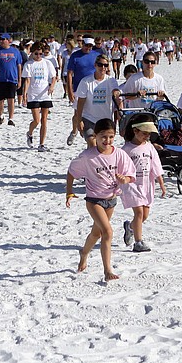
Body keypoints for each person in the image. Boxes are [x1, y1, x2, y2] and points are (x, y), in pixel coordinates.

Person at [66, 119, 137, 282]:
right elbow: (71, 172)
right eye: (103, 137)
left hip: (111, 199)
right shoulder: (88, 156)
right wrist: (69, 192)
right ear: (95, 136)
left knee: (96, 233)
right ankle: (107, 271)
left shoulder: (119, 154)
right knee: (108, 232)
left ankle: (84, 253)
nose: (107, 141)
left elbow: (131, 175)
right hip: (94, 200)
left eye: (111, 137)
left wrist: (124, 179)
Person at [121, 114, 166, 253]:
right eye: (144, 133)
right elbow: (120, 168)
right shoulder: (126, 149)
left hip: (147, 184)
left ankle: (130, 228)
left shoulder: (150, 147)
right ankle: (138, 242)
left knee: (144, 215)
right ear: (135, 131)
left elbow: (156, 166)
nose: (147, 136)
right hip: (132, 185)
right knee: (139, 213)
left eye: (149, 134)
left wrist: (161, 184)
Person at [73, 53, 121, 148]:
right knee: (92, 144)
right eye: (100, 65)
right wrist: (79, 121)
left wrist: (116, 92)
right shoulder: (86, 81)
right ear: (95, 65)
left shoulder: (110, 80)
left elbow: (115, 89)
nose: (103, 67)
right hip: (89, 119)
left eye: (105, 65)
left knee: (103, 146)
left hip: (105, 120)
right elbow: (80, 102)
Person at [22, 42, 58, 151]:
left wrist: (52, 86)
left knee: (44, 120)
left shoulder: (47, 63)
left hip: (45, 94)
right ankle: (30, 133)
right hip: (33, 95)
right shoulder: (28, 64)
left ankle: (41, 144)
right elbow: (27, 80)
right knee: (36, 120)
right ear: (32, 53)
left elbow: (54, 76)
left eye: (40, 54)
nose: (38, 56)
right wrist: (25, 94)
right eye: (36, 53)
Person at [67, 37, 101, 141]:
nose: (88, 48)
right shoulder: (75, 56)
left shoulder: (96, 55)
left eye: (90, 46)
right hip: (78, 88)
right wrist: (69, 90)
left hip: (94, 88)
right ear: (82, 44)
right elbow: (69, 74)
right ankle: (74, 131)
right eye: (86, 45)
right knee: (77, 113)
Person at [0, 33, 23, 125]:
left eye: (3, 39)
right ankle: (1, 115)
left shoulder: (15, 51)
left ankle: (11, 118)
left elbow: (19, 65)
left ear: (9, 40)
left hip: (12, 79)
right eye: (1, 40)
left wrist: (19, 79)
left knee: (11, 99)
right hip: (0, 79)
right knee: (0, 100)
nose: (1, 41)